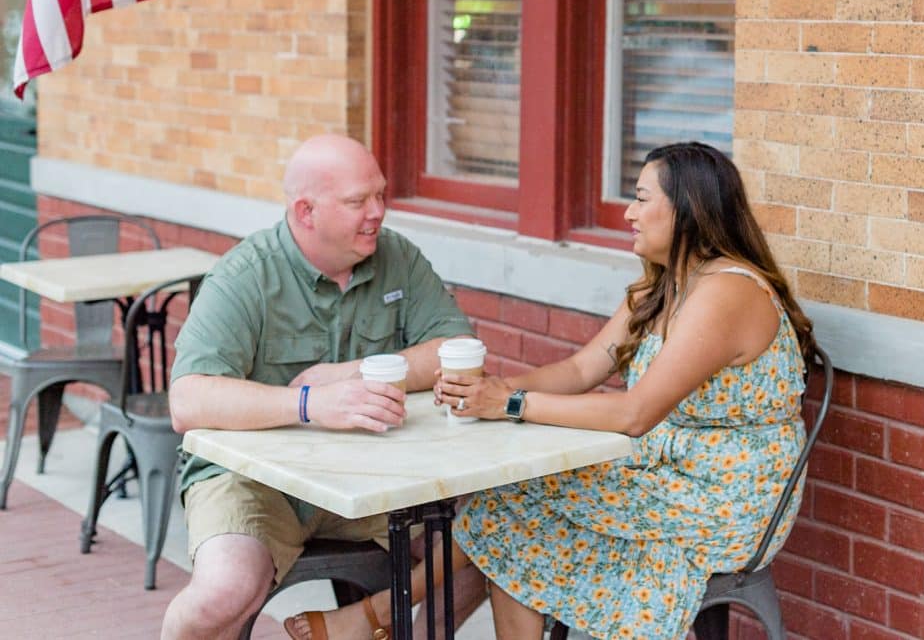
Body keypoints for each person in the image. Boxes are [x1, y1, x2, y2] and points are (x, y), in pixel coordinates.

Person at [303, 141, 815, 640]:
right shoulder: (662, 285)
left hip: (722, 495)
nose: (628, 214)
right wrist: (494, 387)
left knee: (514, 509)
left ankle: (380, 613)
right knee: (511, 504)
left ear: (688, 210)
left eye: (640, 198)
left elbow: (635, 413)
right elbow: (581, 368)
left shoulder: (726, 290)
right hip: (662, 470)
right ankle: (378, 615)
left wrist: (508, 405)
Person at [160, 135, 487, 640]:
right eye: (359, 201)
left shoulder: (397, 257)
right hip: (255, 481)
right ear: (306, 211)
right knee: (223, 593)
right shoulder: (245, 274)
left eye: (381, 195)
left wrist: (350, 373)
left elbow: (457, 348)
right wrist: (309, 403)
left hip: (377, 475)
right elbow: (187, 400)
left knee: (488, 543)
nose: (377, 212)